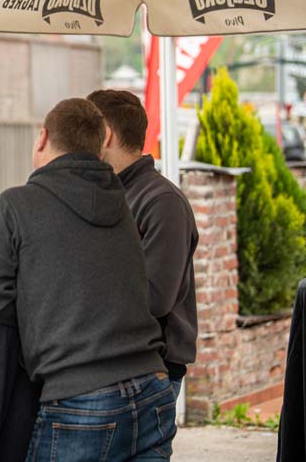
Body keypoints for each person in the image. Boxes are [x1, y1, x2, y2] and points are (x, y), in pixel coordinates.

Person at [0, 98, 176, 461]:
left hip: (82, 396)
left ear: (42, 138)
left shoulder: (15, 204)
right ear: (100, 147)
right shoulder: (121, 204)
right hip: (153, 387)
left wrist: (41, 310)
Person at [87, 89, 199, 399]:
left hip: (147, 374)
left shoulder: (163, 202)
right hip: (105, 365)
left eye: (86, 130)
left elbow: (154, 297)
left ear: (106, 134)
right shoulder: (99, 194)